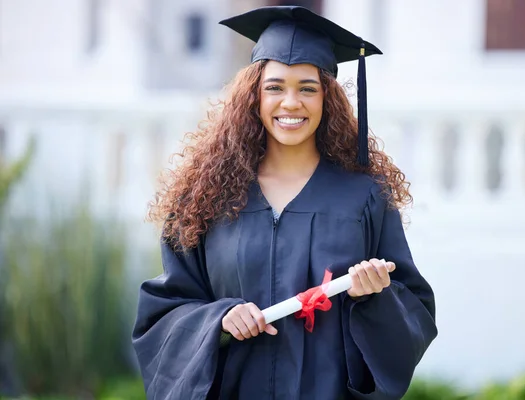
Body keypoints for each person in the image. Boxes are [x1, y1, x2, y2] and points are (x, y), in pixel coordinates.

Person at [132, 6, 437, 400]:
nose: (291, 102)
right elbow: (163, 315)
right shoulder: (207, 198)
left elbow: (414, 313)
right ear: (254, 97)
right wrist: (218, 319)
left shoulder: (363, 197)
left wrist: (374, 298)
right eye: (275, 87)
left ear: (327, 98)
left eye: (307, 88)